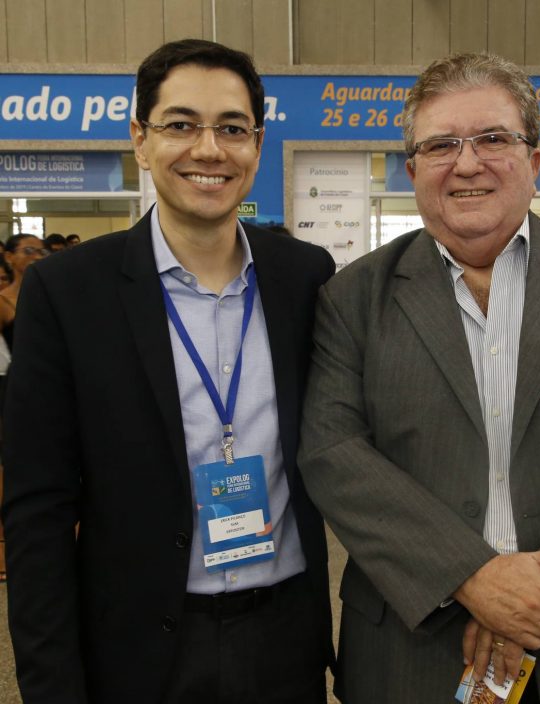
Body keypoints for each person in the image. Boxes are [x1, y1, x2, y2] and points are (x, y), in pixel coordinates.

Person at [298, 52, 540, 704]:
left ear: (534, 162)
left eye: (493, 139)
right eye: (441, 145)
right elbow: (333, 452)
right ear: (412, 169)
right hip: (416, 649)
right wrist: (472, 577)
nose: (468, 163)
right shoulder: (352, 298)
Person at [2, 39, 334, 704]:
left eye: (232, 129)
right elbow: (38, 512)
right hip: (141, 646)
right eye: (180, 124)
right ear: (141, 140)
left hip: (285, 640)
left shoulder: (305, 277)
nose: (209, 150)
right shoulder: (69, 293)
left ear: (257, 144)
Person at [0, 235, 47, 585]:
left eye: (40, 251)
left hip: (43, 388)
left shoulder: (51, 294)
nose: (35, 256)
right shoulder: (5, 301)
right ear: (9, 256)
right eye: (27, 251)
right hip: (9, 387)